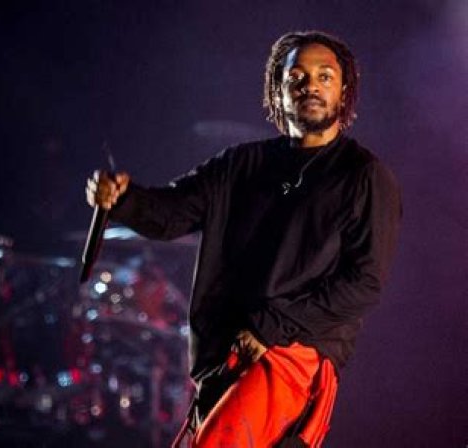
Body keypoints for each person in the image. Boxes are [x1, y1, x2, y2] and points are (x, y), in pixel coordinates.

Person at [85, 30, 402, 447]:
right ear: (278, 91)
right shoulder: (242, 164)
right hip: (225, 353)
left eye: (325, 76)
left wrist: (271, 327)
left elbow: (364, 283)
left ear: (344, 92)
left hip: (290, 353)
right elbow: (172, 215)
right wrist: (124, 199)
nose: (311, 86)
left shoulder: (363, 175)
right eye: (297, 77)